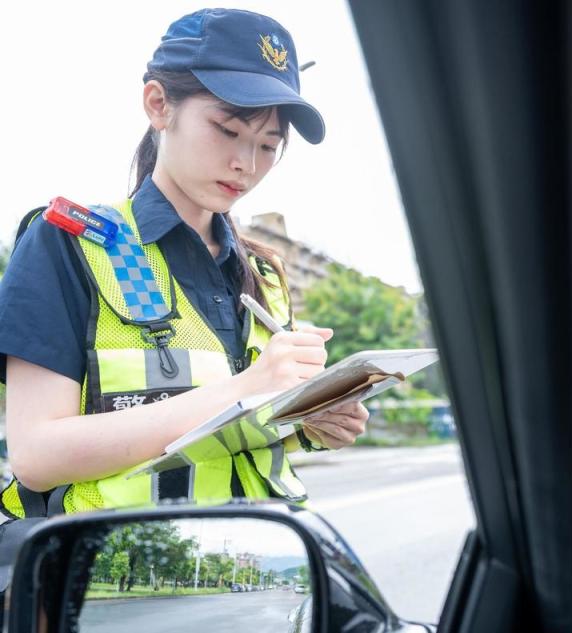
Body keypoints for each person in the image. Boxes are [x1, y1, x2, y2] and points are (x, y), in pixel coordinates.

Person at [0, 8, 369, 520]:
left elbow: (239, 440)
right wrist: (246, 389)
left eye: (269, 145)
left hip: (264, 576)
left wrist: (309, 421)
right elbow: (37, 455)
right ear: (159, 104)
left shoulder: (264, 274)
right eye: (227, 130)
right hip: (115, 588)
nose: (247, 164)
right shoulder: (74, 244)